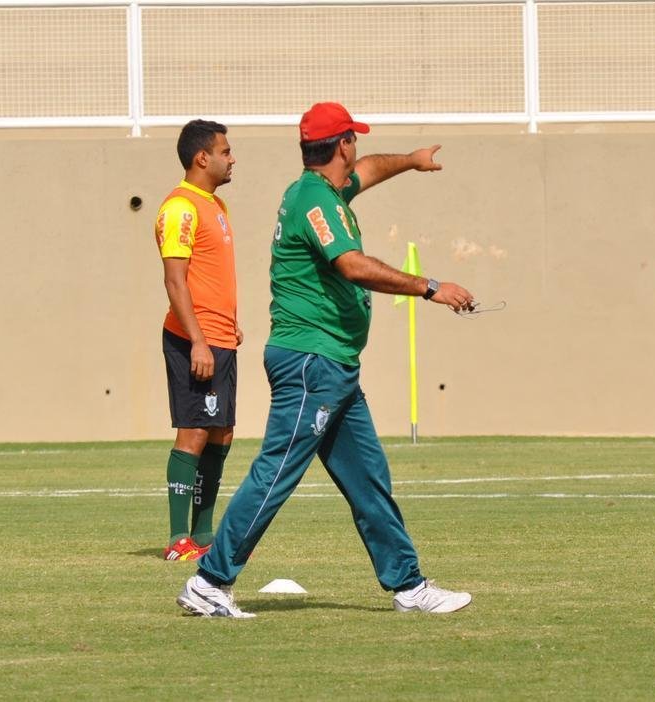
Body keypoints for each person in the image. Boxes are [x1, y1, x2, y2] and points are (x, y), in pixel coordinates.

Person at [176, 102, 476, 618]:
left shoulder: (320, 190)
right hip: (311, 362)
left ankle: (408, 585)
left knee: (368, 478)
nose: (357, 150)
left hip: (332, 364)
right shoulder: (317, 202)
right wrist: (430, 287)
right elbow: (352, 265)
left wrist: (411, 159)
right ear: (342, 144)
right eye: (353, 139)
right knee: (277, 471)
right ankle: (210, 579)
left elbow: (369, 171)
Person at [154, 119, 242, 561]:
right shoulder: (179, 209)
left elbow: (213, 277)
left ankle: (203, 536)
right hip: (195, 341)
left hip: (222, 337)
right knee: (193, 433)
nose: (232, 158)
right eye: (225, 151)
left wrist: (229, 323)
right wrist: (199, 341)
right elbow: (175, 282)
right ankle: (176, 541)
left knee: (221, 434)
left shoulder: (217, 206)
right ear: (201, 157)